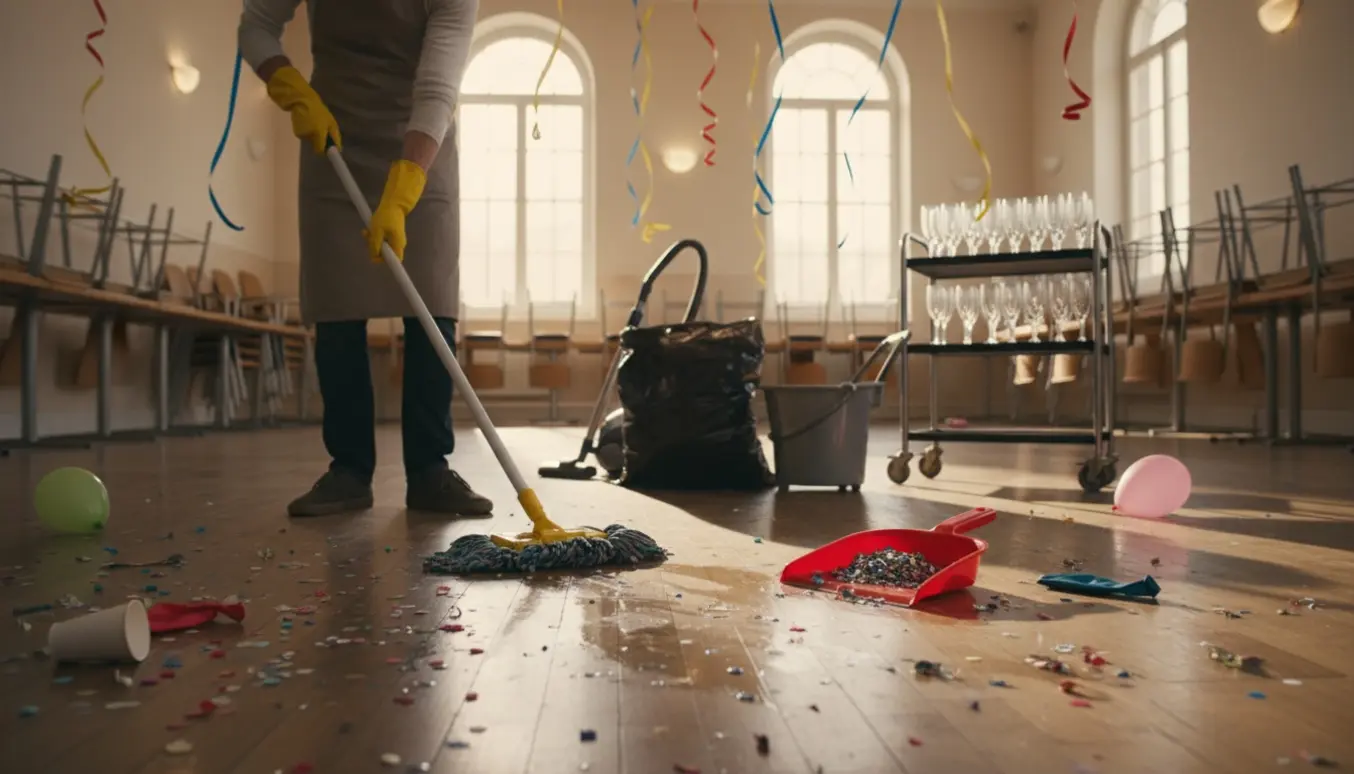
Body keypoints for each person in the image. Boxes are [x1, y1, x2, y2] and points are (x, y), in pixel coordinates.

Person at [239, 0, 492, 518]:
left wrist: (405, 188)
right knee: (337, 303)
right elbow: (257, 26)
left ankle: (430, 471)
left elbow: (438, 87)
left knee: (432, 303)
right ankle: (349, 471)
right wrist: (291, 89)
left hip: (423, 145)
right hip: (333, 136)